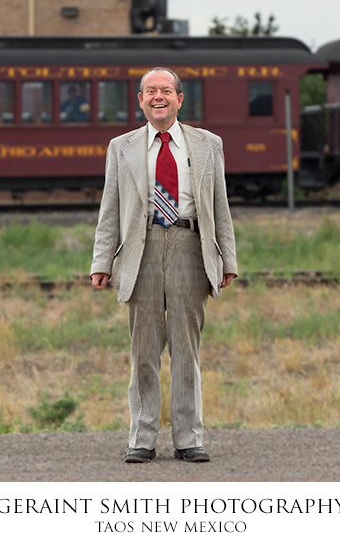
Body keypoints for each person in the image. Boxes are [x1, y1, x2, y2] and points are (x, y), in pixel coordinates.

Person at [90, 67, 238, 463]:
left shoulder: (209, 144)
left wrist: (228, 257)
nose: (159, 97)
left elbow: (220, 206)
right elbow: (110, 209)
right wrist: (100, 261)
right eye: (150, 91)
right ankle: (142, 438)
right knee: (144, 351)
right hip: (142, 249)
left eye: (166, 91)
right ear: (140, 100)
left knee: (186, 349)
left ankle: (189, 439)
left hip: (190, 245)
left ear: (179, 99)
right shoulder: (121, 147)